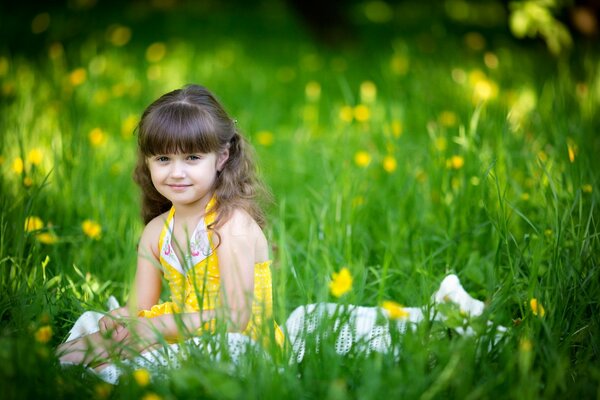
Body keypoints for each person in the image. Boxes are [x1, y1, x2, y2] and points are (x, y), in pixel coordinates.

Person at [57, 84, 284, 377]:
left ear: (222, 156)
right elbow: (141, 306)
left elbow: (236, 319)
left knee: (119, 359)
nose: (176, 172)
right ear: (149, 161)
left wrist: (154, 327)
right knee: (86, 350)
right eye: (164, 159)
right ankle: (41, 370)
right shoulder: (156, 232)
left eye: (192, 158)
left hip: (240, 341)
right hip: (179, 329)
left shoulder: (231, 225)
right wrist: (123, 318)